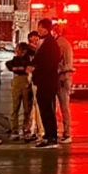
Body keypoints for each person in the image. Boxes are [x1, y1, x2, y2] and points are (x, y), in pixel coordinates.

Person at [31, 19, 62, 148]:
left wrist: (35, 68)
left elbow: (49, 64)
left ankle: (52, 136)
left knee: (48, 109)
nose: (38, 30)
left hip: (47, 81)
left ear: (46, 29)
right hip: (43, 81)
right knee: (44, 109)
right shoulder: (45, 42)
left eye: (40, 27)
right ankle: (48, 134)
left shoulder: (51, 44)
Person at [6, 42, 34, 140]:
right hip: (17, 81)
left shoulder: (28, 60)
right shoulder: (14, 60)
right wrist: (21, 69)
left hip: (25, 82)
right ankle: (14, 129)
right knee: (15, 107)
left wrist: (19, 69)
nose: (17, 51)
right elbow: (10, 66)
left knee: (27, 108)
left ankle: (26, 129)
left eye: (19, 50)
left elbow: (27, 68)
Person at [54, 22, 74, 143]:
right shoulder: (62, 43)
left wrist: (58, 70)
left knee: (63, 107)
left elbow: (66, 64)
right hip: (61, 78)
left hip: (62, 79)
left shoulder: (61, 44)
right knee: (60, 107)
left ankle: (66, 133)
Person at [26, 31, 45, 141]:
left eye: (36, 40)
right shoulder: (29, 53)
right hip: (31, 82)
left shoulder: (41, 52)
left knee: (38, 107)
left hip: (38, 82)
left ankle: (39, 131)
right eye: (31, 41)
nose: (34, 43)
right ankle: (33, 129)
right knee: (32, 107)